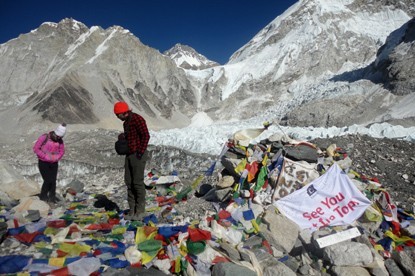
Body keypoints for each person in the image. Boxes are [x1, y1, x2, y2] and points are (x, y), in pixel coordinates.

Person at [114, 102, 150, 220]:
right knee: (129, 182)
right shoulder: (126, 123)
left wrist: (139, 152)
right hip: (129, 154)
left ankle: (140, 211)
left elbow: (145, 135)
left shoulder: (137, 119)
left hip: (137, 155)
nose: (117, 118)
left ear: (123, 112)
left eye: (118, 115)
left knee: (137, 182)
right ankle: (132, 210)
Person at [33, 123, 66, 204]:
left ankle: (52, 198)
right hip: (43, 162)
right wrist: (44, 156)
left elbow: (62, 151)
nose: (59, 138)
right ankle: (43, 197)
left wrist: (57, 157)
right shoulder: (44, 137)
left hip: (54, 163)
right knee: (47, 180)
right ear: (56, 133)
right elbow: (36, 148)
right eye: (58, 136)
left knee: (53, 181)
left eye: (61, 137)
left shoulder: (60, 141)